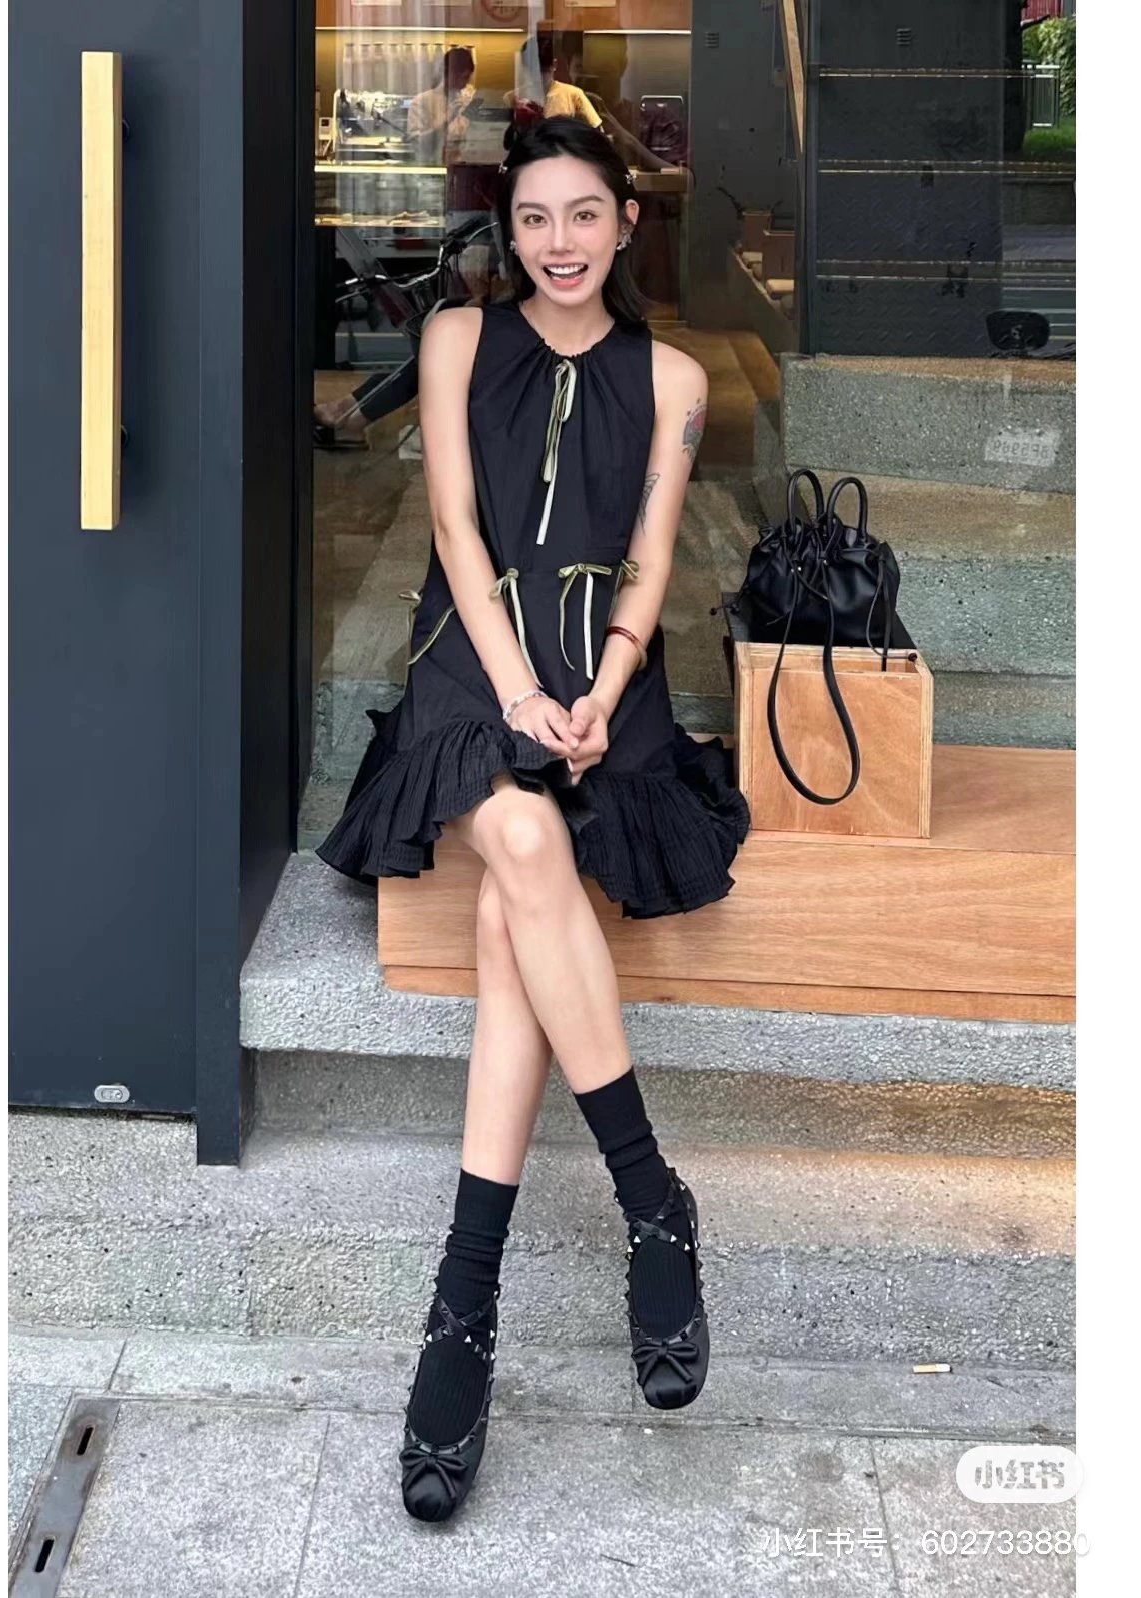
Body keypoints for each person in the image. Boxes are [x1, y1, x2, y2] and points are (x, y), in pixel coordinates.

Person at [314, 115, 750, 1522]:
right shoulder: (454, 338)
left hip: (603, 676)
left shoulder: (673, 379)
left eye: (583, 215)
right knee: (515, 830)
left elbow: (651, 558)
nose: (559, 242)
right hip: (473, 660)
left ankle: (463, 1301)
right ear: (507, 232)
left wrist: (605, 692)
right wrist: (516, 694)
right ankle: (648, 1195)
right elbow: (455, 530)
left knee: (520, 906)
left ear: (626, 224)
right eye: (534, 219)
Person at [505, 33, 602, 131]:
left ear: (554, 65)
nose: (539, 77)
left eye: (544, 70)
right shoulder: (513, 98)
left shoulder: (573, 95)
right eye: (533, 71)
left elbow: (597, 132)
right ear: (524, 66)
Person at [406, 46, 477, 166]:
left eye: (467, 78)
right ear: (448, 73)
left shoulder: (467, 101)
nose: (465, 83)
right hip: (431, 168)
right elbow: (417, 144)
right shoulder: (422, 102)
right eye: (463, 77)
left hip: (463, 167)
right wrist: (445, 121)